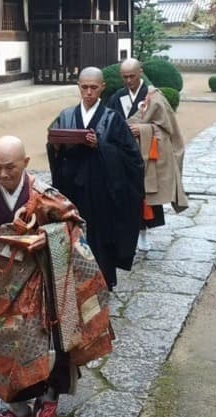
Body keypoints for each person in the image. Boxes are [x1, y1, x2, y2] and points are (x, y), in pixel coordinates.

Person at [0, 136, 114, 417]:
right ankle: (18, 407)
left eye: (10, 167)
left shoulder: (41, 193)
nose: (2, 174)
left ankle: (50, 394)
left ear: (25, 163)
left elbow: (74, 223)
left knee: (49, 341)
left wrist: (49, 238)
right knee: (3, 348)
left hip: (41, 285)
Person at [47, 66, 145, 289]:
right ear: (78, 87)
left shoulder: (113, 118)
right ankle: (72, 282)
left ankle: (101, 283)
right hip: (72, 188)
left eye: (93, 87)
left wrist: (100, 146)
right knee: (72, 232)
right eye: (84, 87)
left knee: (100, 237)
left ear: (103, 87)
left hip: (102, 190)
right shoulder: (66, 115)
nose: (89, 92)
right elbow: (55, 148)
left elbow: (131, 158)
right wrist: (56, 146)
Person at [106, 58, 189, 251]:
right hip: (123, 153)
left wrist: (144, 129)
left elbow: (167, 129)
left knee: (145, 194)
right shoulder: (117, 96)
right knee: (125, 194)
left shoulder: (154, 97)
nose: (128, 81)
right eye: (124, 77)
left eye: (132, 76)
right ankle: (129, 232)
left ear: (140, 72)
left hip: (147, 154)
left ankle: (144, 232)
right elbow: (109, 122)